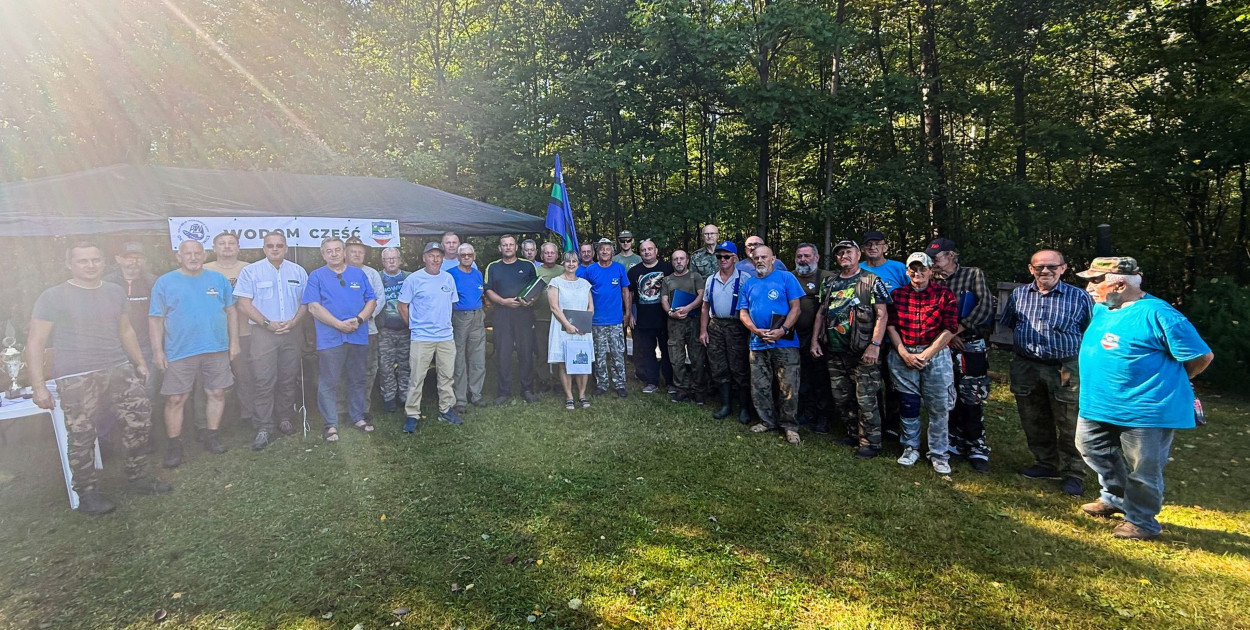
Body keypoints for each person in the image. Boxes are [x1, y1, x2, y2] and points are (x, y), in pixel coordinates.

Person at [1074, 257, 1212, 540]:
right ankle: (1114, 497)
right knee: (1091, 448)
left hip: (1146, 409)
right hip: (1098, 404)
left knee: (1143, 468)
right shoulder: (1103, 309)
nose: (1088, 287)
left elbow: (1201, 357)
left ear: (1120, 284)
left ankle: (1142, 521)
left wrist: (1178, 380)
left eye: (1095, 281)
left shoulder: (1160, 314)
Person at [27, 242, 169, 515]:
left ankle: (137, 477)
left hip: (118, 367)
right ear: (70, 264)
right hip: (76, 375)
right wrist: (38, 386)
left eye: (95, 260)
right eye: (83, 261)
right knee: (82, 434)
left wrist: (139, 362)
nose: (90, 266)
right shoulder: (53, 296)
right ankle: (87, 493)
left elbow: (125, 330)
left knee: (139, 420)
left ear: (104, 263)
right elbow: (35, 342)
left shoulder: (114, 292)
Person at [999, 249, 1094, 496]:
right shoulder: (1020, 295)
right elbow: (1011, 323)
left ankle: (1074, 472)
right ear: (1031, 269)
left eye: (1052, 266)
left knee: (1069, 419)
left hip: (1065, 367)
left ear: (1063, 268)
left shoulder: (1079, 297)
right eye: (1039, 267)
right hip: (1026, 365)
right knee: (1032, 416)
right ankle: (1045, 463)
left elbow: (1091, 330)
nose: (1045, 271)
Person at [149, 240, 239, 467]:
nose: (193, 257)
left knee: (217, 393)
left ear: (204, 254)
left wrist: (234, 342)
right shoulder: (165, 282)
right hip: (179, 350)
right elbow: (155, 319)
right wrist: (157, 351)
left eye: (197, 253)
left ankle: (211, 436)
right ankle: (174, 445)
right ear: (178, 256)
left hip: (216, 347)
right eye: (187, 253)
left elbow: (231, 312)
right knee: (176, 398)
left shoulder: (217, 279)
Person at [811, 240, 891, 458]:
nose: (843, 256)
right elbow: (820, 312)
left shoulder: (871, 280)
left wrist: (875, 345)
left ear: (858, 254)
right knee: (842, 396)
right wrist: (815, 341)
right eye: (839, 253)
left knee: (866, 398)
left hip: (863, 351)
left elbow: (882, 315)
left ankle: (871, 442)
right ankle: (852, 433)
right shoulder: (830, 282)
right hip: (834, 351)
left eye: (848, 252)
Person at [234, 232, 308, 450]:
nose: (275, 249)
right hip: (263, 333)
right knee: (263, 380)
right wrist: (267, 323)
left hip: (291, 332)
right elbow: (243, 304)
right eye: (270, 246)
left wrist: (294, 322)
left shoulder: (298, 271)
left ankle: (284, 418)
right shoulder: (251, 271)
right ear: (264, 248)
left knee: (288, 378)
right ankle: (264, 426)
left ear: (286, 248)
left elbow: (306, 302)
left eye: (279, 245)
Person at [887, 252, 958, 475]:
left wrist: (928, 353)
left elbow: (950, 328)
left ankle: (938, 452)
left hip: (935, 354)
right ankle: (910, 447)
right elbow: (891, 325)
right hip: (904, 353)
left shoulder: (944, 294)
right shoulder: (897, 295)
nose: (918, 273)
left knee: (939, 406)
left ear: (930, 271)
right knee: (909, 403)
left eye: (922, 269)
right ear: (907, 271)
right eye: (913, 269)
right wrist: (903, 352)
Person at [927, 237, 995, 473]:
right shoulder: (931, 278)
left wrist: (955, 331)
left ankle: (977, 446)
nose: (933, 263)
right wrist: (946, 336)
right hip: (943, 345)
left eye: (936, 258)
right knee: (948, 393)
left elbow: (985, 306)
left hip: (969, 344)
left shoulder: (972, 275)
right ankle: (954, 440)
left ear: (951, 256)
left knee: (972, 395)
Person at [301, 237, 377, 441]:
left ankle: (358, 417)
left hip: (357, 335)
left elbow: (371, 300)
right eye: (329, 251)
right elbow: (313, 307)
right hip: (330, 338)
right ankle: (331, 424)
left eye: (337, 250)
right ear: (323, 254)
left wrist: (360, 319)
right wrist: (338, 324)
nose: (333, 254)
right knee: (329, 381)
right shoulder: (316, 276)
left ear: (344, 252)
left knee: (357, 378)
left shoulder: (358, 274)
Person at [738, 245, 804, 444]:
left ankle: (789, 426)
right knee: (760, 386)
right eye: (756, 257)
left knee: (788, 386)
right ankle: (767, 421)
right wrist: (755, 330)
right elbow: (743, 312)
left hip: (785, 342)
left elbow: (796, 309)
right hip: (758, 343)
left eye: (763, 257)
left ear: (773, 258)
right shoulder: (749, 284)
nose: (760, 261)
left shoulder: (786, 278)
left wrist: (782, 330)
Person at [397, 242, 463, 432]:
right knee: (417, 377)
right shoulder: (414, 279)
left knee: (446, 376)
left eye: (438, 256)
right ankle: (412, 415)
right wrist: (413, 326)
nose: (435, 259)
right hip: (421, 337)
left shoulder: (448, 278)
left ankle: (446, 410)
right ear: (424, 258)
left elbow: (450, 304)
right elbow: (402, 306)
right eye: (431, 255)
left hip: (445, 337)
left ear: (443, 258)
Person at [101, 241, 160, 447]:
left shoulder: (154, 282)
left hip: (146, 345)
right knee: (115, 393)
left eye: (138, 257)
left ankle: (145, 434)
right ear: (118, 259)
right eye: (128, 257)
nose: (133, 262)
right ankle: (114, 437)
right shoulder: (105, 283)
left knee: (147, 390)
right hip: (114, 347)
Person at [202, 232, 254, 428]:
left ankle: (247, 415)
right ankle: (204, 424)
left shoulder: (248, 269)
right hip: (212, 335)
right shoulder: (204, 269)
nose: (227, 246)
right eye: (221, 243)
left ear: (238, 247)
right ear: (214, 248)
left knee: (245, 376)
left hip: (243, 332)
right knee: (209, 382)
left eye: (231, 243)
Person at [860, 230, 907, 441]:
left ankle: (894, 424)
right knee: (871, 382)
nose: (873, 247)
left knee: (894, 382)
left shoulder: (898, 268)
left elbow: (912, 294)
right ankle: (874, 423)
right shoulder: (858, 269)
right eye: (868, 244)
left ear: (886, 246)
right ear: (862, 249)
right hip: (865, 337)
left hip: (896, 335)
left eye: (877, 243)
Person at [484, 234, 539, 404]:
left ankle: (527, 389)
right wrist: (503, 301)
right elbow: (488, 290)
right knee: (503, 352)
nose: (508, 247)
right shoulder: (492, 267)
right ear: (500, 248)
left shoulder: (527, 265)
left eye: (511, 244)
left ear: (516, 247)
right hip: (502, 314)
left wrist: (530, 301)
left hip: (524, 314)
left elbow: (536, 287)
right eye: (504, 245)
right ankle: (503, 392)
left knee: (525, 352)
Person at [700, 241, 752, 423]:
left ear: (735, 258)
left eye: (726, 256)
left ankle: (744, 408)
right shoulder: (710, 279)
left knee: (739, 368)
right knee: (719, 367)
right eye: (719, 256)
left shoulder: (744, 278)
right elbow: (705, 307)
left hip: (736, 327)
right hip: (715, 327)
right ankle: (725, 405)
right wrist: (703, 331)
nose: (722, 260)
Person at [578, 238, 632, 397]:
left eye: (607, 249)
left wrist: (627, 313)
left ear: (612, 252)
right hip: (596, 321)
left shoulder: (619, 268)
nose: (604, 252)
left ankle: (620, 384)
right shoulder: (590, 270)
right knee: (599, 354)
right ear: (597, 252)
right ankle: (601, 384)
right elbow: (582, 291)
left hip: (615, 320)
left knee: (618, 353)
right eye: (601, 249)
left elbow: (625, 292)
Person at [791, 242, 834, 430]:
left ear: (816, 257)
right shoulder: (789, 277)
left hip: (821, 337)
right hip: (795, 336)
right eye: (799, 256)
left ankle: (824, 416)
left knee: (821, 377)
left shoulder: (828, 277)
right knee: (803, 376)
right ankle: (806, 412)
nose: (803, 260)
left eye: (807, 256)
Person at [547, 251, 596, 409]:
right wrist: (567, 325)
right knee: (564, 362)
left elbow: (591, 307)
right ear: (563, 263)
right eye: (568, 261)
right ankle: (569, 395)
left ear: (578, 263)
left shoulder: (584, 283)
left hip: (581, 329)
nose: (571, 264)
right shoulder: (556, 282)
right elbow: (554, 307)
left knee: (583, 362)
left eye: (574, 261)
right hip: (562, 328)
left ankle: (582, 395)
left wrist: (584, 325)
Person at [345, 236, 386, 423]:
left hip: (368, 330)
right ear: (345, 253)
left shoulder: (372, 274)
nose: (357, 254)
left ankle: (363, 407)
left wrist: (366, 317)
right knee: (343, 369)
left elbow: (380, 298)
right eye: (353, 251)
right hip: (342, 330)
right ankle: (341, 408)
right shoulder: (338, 272)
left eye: (360, 251)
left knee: (368, 369)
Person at [626, 239, 674, 394]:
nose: (646, 252)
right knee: (647, 352)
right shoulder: (634, 271)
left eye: (649, 249)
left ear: (656, 251)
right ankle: (651, 381)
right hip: (644, 320)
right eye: (643, 250)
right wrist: (631, 314)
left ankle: (670, 382)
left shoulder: (668, 268)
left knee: (667, 351)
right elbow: (630, 293)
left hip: (665, 318)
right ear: (640, 253)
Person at [661, 250, 705, 403]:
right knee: (676, 357)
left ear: (687, 260)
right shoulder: (667, 280)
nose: (678, 262)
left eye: (681, 259)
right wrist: (670, 313)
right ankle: (681, 388)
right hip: (675, 324)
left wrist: (689, 308)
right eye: (675, 259)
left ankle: (698, 389)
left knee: (697, 357)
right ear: (672, 262)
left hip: (693, 321)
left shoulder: (695, 277)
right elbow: (664, 300)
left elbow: (701, 296)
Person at [448, 243, 487, 412]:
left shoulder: (478, 274)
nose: (466, 257)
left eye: (469, 255)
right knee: (459, 358)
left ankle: (476, 394)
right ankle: (460, 398)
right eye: (463, 255)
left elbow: (481, 295)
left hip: (477, 316)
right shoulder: (450, 275)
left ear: (474, 256)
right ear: (457, 257)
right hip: (459, 317)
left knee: (478, 356)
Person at [376, 247, 411, 413]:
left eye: (394, 258)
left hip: (406, 329)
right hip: (385, 330)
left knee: (406, 364)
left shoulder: (409, 277)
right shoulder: (377, 278)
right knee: (385, 366)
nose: (391, 261)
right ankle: (389, 397)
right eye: (387, 259)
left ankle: (404, 396)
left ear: (400, 260)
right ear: (383, 262)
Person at [532, 242, 566, 394]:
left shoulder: (563, 270)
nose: (550, 255)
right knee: (542, 350)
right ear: (541, 255)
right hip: (541, 317)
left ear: (557, 255)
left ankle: (560, 381)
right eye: (547, 253)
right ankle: (543, 380)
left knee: (559, 351)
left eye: (552, 253)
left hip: (560, 318)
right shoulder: (535, 271)